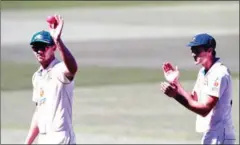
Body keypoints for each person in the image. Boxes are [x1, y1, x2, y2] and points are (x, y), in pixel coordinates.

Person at [160, 33, 235, 144]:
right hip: (211, 133)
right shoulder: (203, 72)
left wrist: (175, 96)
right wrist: (175, 82)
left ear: (209, 51)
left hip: (220, 135)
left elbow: (204, 109)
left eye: (197, 50)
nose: (193, 54)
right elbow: (194, 99)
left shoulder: (219, 73)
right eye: (192, 50)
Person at [24, 15, 78, 144]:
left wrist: (58, 40)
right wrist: (28, 142)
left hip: (61, 138)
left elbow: (72, 69)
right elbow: (39, 113)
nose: (39, 51)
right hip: (44, 138)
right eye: (35, 48)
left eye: (43, 47)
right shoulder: (37, 77)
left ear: (53, 48)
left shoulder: (59, 69)